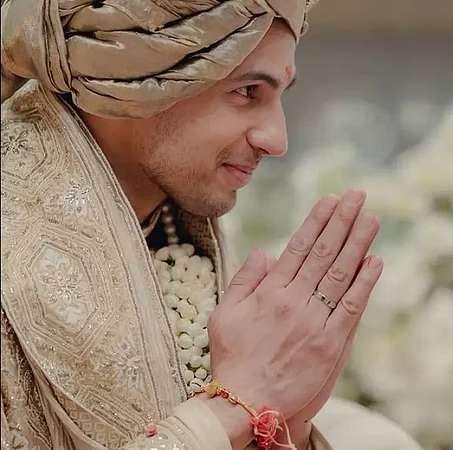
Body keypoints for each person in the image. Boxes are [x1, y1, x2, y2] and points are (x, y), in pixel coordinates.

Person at [0, 1, 421, 449]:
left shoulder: (175, 231)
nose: (277, 140)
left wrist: (283, 426)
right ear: (136, 82)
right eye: (248, 92)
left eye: (280, 95)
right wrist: (233, 408)